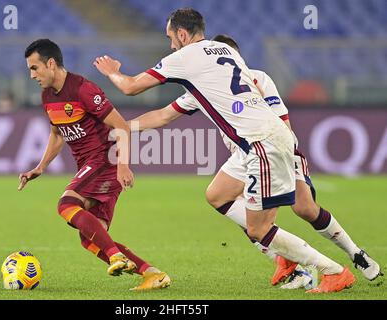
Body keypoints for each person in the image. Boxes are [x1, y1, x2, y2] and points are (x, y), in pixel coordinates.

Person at [94, 8, 355, 293]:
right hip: (261, 140)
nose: (170, 45)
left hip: (260, 143)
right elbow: (163, 116)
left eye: (171, 37)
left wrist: (114, 73)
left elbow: (130, 87)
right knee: (217, 194)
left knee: (259, 229)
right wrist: (122, 127)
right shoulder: (223, 51)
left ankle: (332, 271)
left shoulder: (184, 57)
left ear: (182, 34)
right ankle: (284, 255)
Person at [205, 34, 381, 286]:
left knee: (305, 208)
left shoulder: (258, 78)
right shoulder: (208, 88)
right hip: (246, 158)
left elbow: (281, 122)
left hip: (277, 150)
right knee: (236, 206)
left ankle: (354, 253)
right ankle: (289, 265)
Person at [19, 39, 170, 291]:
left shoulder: (83, 89)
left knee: (66, 204)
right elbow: (57, 134)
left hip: (104, 160)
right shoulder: (47, 96)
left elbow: (121, 126)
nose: (31, 75)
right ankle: (153, 274)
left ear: (51, 64)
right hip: (90, 166)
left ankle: (116, 256)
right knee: (90, 240)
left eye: (34, 68)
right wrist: (41, 166)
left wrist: (123, 165)